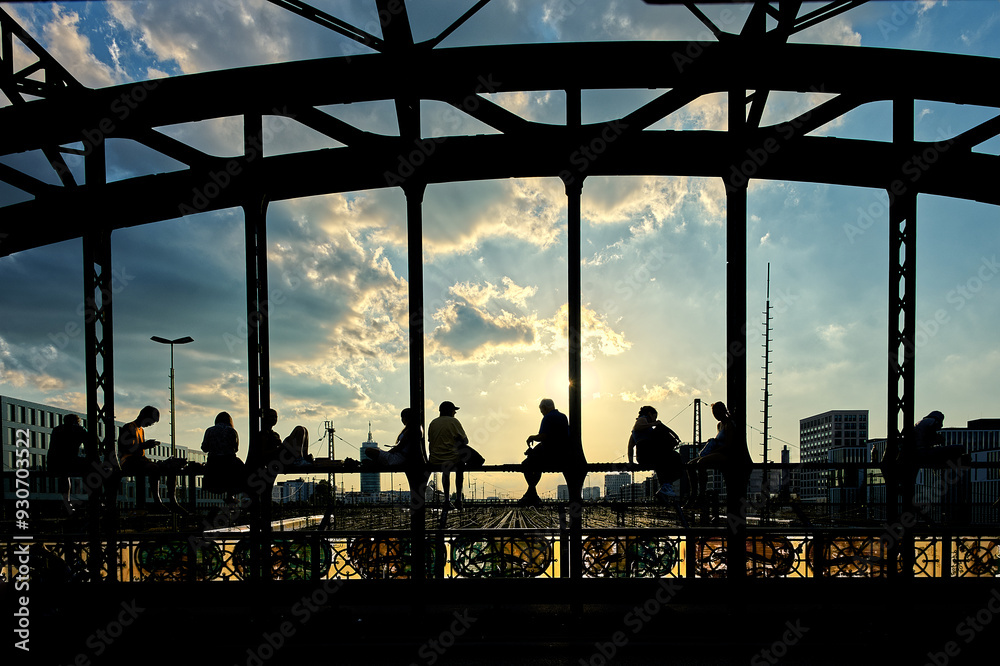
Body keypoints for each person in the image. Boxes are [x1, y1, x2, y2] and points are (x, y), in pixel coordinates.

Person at [687, 401, 751, 506]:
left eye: (717, 413)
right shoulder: (719, 425)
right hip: (717, 452)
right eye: (714, 414)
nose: (716, 416)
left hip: (726, 454)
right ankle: (693, 494)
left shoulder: (729, 425)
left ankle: (702, 494)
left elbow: (728, 445)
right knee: (690, 465)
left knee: (701, 462)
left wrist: (713, 451)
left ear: (723, 411)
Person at [517, 398, 570, 507]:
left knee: (526, 465)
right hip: (563, 455)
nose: (542, 414)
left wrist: (532, 437)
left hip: (549, 455)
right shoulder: (563, 417)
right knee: (534, 461)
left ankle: (532, 492)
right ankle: (531, 494)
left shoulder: (548, 417)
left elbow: (543, 436)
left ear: (544, 408)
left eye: (542, 411)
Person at [117, 405, 169, 512]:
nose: (151, 425)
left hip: (137, 460)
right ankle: (157, 500)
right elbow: (126, 449)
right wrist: (145, 445)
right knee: (154, 468)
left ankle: (154, 501)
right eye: (151, 422)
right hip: (128, 461)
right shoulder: (129, 427)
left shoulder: (140, 430)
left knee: (159, 467)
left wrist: (144, 447)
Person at [627, 405, 682, 503]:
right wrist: (655, 423)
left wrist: (631, 462)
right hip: (648, 452)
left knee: (669, 462)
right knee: (675, 459)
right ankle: (665, 486)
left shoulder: (635, 433)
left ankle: (665, 486)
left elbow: (630, 446)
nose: (655, 419)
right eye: (654, 417)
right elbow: (638, 425)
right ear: (649, 414)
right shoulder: (642, 419)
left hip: (643, 456)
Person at [47, 414, 96, 511]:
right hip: (71, 461)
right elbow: (89, 449)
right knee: (91, 470)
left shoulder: (57, 430)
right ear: (77, 422)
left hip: (56, 463)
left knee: (64, 476)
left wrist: (49, 465)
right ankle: (93, 500)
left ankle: (66, 502)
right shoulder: (80, 430)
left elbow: (51, 449)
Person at [428, 401, 468, 510]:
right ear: (450, 411)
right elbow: (465, 440)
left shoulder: (433, 423)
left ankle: (447, 500)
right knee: (460, 467)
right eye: (454, 410)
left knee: (446, 471)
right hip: (452, 458)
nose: (455, 412)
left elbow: (430, 441)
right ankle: (459, 499)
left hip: (435, 459)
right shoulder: (453, 422)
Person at [201, 412, 246, 504]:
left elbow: (204, 448)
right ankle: (231, 495)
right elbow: (236, 449)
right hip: (229, 461)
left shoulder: (209, 430)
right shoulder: (232, 431)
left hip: (213, 462)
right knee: (242, 471)